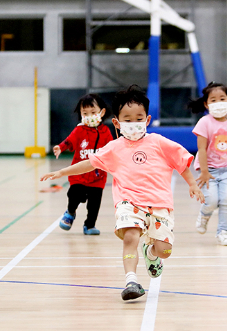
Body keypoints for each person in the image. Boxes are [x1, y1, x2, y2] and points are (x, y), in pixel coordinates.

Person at [40, 85, 204, 300]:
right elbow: (89, 163)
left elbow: (181, 162)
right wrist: (62, 171)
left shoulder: (159, 143)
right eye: (127, 119)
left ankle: (151, 253)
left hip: (159, 204)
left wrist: (192, 184)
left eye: (138, 118)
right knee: (130, 236)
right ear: (117, 122)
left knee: (164, 250)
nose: (133, 123)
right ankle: (131, 281)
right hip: (129, 202)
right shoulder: (114, 148)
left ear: (147, 120)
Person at [188, 82, 227, 246]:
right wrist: (204, 171)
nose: (218, 102)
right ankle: (204, 215)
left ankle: (223, 232)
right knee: (212, 201)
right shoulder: (204, 122)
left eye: (222, 98)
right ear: (206, 104)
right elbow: (202, 148)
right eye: (213, 100)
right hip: (209, 170)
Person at [52, 94, 113, 235]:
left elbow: (112, 148)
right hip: (79, 175)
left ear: (102, 112)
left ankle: (89, 225)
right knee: (74, 194)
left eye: (93, 112)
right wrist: (60, 147)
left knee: (94, 204)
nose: (89, 116)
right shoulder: (80, 130)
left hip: (98, 177)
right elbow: (69, 141)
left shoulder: (105, 132)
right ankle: (70, 212)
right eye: (85, 113)